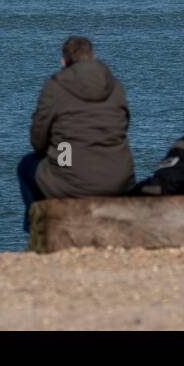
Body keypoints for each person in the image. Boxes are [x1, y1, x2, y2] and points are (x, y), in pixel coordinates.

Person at [17, 36, 135, 230]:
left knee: (26, 166)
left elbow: (38, 140)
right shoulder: (115, 86)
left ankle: (38, 229)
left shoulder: (55, 86)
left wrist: (62, 149)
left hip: (71, 170)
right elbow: (124, 124)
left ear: (64, 60)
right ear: (92, 56)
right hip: (118, 176)